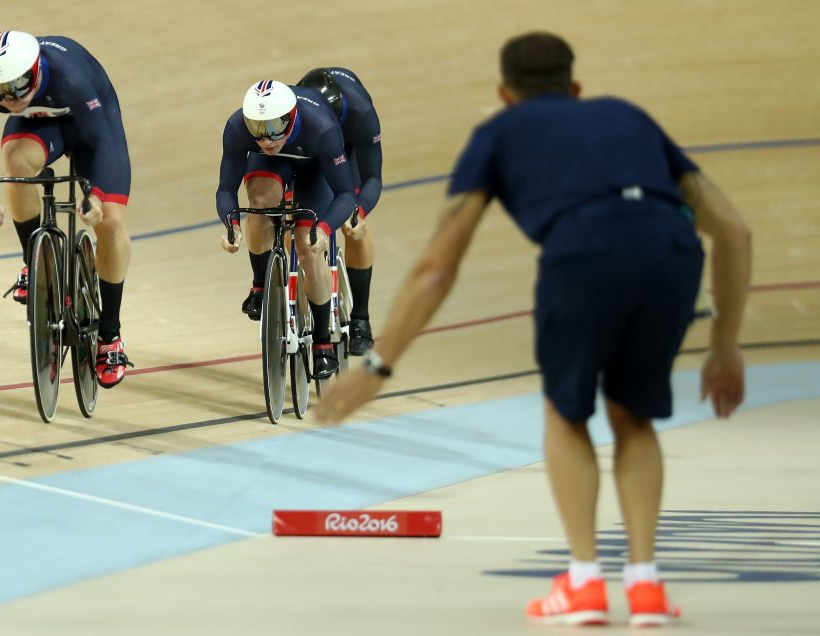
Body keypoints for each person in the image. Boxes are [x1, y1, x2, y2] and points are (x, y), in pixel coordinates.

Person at [315, 32, 751, 627]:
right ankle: (646, 590)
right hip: (670, 255)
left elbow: (437, 268)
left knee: (566, 415)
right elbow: (734, 231)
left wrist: (379, 365)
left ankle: (585, 585)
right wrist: (724, 346)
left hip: (583, 253)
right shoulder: (629, 116)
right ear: (574, 88)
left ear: (505, 93)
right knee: (632, 416)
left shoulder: (498, 132)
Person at [0, 31, 134, 388]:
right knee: (15, 163)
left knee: (111, 224)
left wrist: (97, 196)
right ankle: (35, 261)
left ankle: (110, 336)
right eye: (0, 91)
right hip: (42, 123)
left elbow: (101, 141)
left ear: (36, 68)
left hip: (95, 126)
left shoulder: (70, 75)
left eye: (17, 86)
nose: (8, 99)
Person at [216, 79, 358, 379]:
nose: (266, 139)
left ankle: (322, 344)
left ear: (291, 117)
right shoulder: (238, 127)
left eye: (275, 127)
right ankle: (260, 285)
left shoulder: (323, 128)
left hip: (316, 168)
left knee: (307, 248)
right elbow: (226, 188)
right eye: (258, 128)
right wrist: (231, 225)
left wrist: (325, 228)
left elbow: (346, 193)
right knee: (258, 204)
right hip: (275, 165)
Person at [297, 68, 382, 355]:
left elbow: (373, 177)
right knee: (298, 220)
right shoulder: (299, 111)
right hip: (311, 145)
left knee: (352, 225)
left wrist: (361, 210)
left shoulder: (361, 113)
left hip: (348, 147)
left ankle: (361, 318)